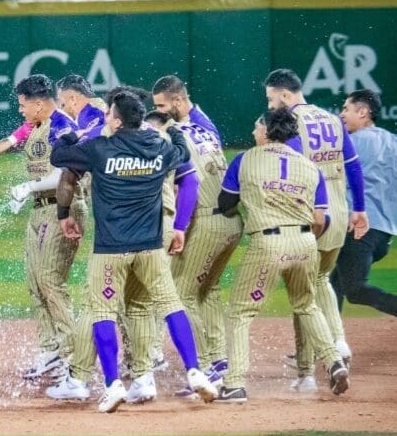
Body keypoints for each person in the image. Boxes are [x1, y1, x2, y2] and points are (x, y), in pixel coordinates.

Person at [49, 90, 218, 413]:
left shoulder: (99, 149)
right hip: (151, 248)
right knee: (170, 305)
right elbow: (182, 153)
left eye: (109, 115)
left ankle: (113, 384)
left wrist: (71, 133)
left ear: (115, 119)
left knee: (103, 313)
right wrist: (173, 131)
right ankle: (195, 369)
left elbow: (60, 157)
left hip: (110, 250)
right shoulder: (160, 147)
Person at [216, 109, 351, 402]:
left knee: (240, 312)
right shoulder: (308, 166)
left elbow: (225, 201)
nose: (253, 132)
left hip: (268, 242)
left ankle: (235, 383)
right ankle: (333, 361)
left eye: (256, 126)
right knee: (307, 305)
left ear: (266, 130)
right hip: (305, 242)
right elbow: (320, 219)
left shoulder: (245, 159)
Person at [264, 68, 367, 374]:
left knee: (304, 289)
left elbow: (290, 171)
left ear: (285, 94)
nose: (270, 106)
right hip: (338, 210)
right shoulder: (333, 119)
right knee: (320, 281)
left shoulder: (290, 124)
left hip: (310, 214)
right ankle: (337, 342)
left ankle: (312, 362)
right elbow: (354, 166)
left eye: (272, 98)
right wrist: (359, 208)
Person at [152, 76, 242, 391]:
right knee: (208, 290)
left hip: (205, 220)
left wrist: (180, 230)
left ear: (178, 101)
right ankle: (219, 359)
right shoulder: (203, 128)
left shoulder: (174, 136)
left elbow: (185, 186)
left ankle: (203, 368)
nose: (159, 113)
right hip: (231, 220)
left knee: (181, 294)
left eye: (162, 106)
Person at [4, 75, 84, 381]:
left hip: (63, 208)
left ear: (39, 103)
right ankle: (50, 350)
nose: (21, 110)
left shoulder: (61, 125)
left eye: (23, 105)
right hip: (41, 209)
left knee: (51, 281)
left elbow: (68, 171)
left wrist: (29, 185)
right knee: (36, 283)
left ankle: (73, 356)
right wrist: (30, 191)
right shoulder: (37, 126)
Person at [331, 90, 397, 319]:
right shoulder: (392, 141)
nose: (341, 114)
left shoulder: (349, 143)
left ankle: (328, 344)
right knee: (334, 283)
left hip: (359, 228)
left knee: (355, 289)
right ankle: (328, 344)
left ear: (363, 112)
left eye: (346, 109)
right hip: (384, 233)